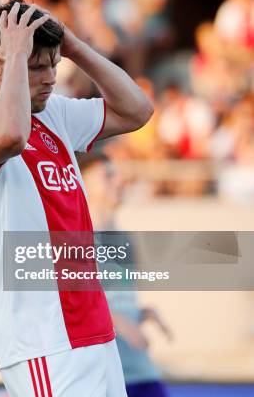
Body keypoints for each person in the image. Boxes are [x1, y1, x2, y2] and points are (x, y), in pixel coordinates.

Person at [0, 0, 153, 396]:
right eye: (36, 67)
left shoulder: (54, 114)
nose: (50, 78)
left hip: (94, 333)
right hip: (43, 340)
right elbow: (9, 136)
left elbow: (137, 111)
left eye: (54, 65)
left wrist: (74, 46)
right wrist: (16, 54)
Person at [80, 153, 172, 397]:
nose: (119, 181)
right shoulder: (74, 241)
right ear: (81, 182)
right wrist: (115, 319)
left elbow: (113, 297)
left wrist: (140, 314)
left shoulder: (124, 240)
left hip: (139, 370)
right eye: (107, 176)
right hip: (100, 375)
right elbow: (66, 307)